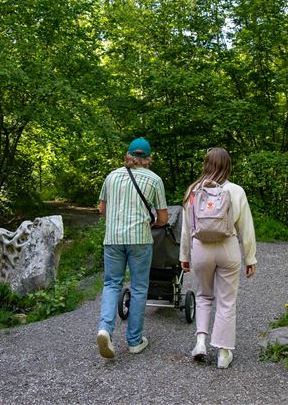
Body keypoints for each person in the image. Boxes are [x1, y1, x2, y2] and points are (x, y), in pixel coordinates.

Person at [179, 147, 257, 369]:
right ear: (228, 166)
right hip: (228, 247)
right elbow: (246, 228)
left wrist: (184, 255)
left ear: (206, 164)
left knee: (204, 296)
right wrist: (251, 258)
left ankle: (201, 342)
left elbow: (187, 228)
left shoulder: (192, 191)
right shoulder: (236, 191)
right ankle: (223, 353)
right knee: (226, 300)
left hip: (201, 248)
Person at [96, 137, 168, 359]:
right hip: (139, 239)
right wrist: (153, 222)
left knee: (111, 284)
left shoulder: (111, 176)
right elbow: (163, 218)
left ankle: (105, 330)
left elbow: (101, 209)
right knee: (138, 288)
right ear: (148, 158)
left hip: (113, 239)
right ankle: (135, 341)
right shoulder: (155, 180)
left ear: (128, 155)